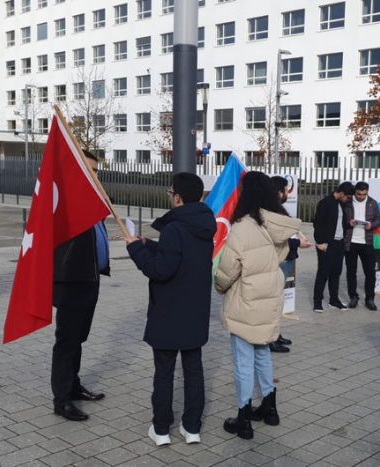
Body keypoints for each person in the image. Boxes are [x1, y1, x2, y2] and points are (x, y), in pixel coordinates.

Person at [125, 173, 216, 445]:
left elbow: (160, 270)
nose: (169, 197)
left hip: (168, 312)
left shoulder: (175, 228)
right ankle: (192, 428)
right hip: (195, 312)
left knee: (164, 372)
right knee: (194, 370)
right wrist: (147, 244)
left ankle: (162, 429)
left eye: (170, 193)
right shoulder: (204, 224)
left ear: (177, 197)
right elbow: (179, 253)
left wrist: (135, 251)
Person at [215, 171, 302, 440]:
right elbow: (282, 255)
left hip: (246, 300)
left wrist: (219, 285)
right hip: (269, 297)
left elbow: (228, 271)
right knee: (262, 352)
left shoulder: (242, 227)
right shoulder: (275, 225)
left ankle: (243, 417)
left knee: (243, 360)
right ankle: (269, 406)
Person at [51, 150, 109, 422]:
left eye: (97, 171)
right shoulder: (68, 202)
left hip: (90, 280)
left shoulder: (91, 202)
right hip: (72, 281)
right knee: (66, 341)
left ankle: (73, 386)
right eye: (90, 170)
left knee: (78, 339)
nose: (95, 175)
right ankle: (61, 399)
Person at [268, 176, 311, 353]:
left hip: (287, 257)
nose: (288, 193)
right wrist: (297, 243)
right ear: (279, 192)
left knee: (279, 300)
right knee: (274, 300)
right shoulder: (271, 211)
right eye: (286, 190)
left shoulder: (278, 209)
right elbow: (276, 239)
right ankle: (270, 338)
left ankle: (276, 334)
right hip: (279, 259)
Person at [312, 182, 355, 312]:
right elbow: (317, 224)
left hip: (339, 243)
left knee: (336, 272)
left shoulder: (342, 204)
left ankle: (334, 300)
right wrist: (320, 242)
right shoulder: (325, 203)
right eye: (348, 197)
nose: (349, 200)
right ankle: (317, 301)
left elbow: (339, 224)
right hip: (326, 244)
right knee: (323, 273)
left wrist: (349, 224)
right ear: (341, 193)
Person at [344, 181, 380, 311]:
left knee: (370, 272)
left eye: (363, 194)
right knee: (351, 272)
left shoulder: (372, 203)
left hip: (367, 242)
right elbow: (342, 219)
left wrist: (372, 225)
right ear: (355, 192)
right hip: (351, 242)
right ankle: (353, 297)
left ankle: (370, 299)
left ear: (367, 192)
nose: (361, 197)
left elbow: (379, 219)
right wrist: (348, 222)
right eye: (359, 194)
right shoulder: (347, 202)